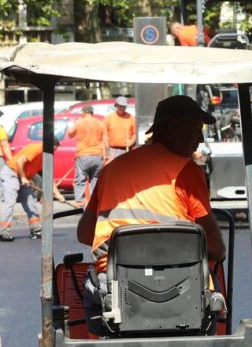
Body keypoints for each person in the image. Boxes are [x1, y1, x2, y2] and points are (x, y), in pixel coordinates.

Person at [77, 94, 226, 297]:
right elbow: (216, 247)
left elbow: (85, 234)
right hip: (180, 282)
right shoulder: (187, 170)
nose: (200, 139)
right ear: (174, 127)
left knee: (93, 295)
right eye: (196, 129)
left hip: (114, 282)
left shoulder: (111, 170)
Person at [0, 142, 65, 241]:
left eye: (55, 150)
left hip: (23, 177)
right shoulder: (36, 148)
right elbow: (19, 161)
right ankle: (3, 233)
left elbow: (49, 176)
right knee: (10, 202)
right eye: (53, 149)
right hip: (11, 173)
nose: (54, 151)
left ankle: (36, 230)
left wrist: (57, 194)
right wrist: (23, 178)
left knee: (31, 201)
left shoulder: (46, 157)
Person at [67, 103, 105, 206]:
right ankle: (94, 201)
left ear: (84, 112)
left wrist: (71, 126)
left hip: (83, 155)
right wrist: (106, 155)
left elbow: (70, 134)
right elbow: (105, 140)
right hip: (98, 155)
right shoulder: (100, 123)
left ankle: (79, 201)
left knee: (81, 179)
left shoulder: (79, 122)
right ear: (92, 113)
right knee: (95, 179)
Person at [103, 96, 136, 162]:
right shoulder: (109, 118)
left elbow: (135, 134)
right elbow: (104, 135)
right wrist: (106, 151)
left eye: (124, 106)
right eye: (121, 106)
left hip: (126, 150)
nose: (122, 108)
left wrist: (131, 141)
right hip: (112, 150)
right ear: (116, 106)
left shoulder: (131, 118)